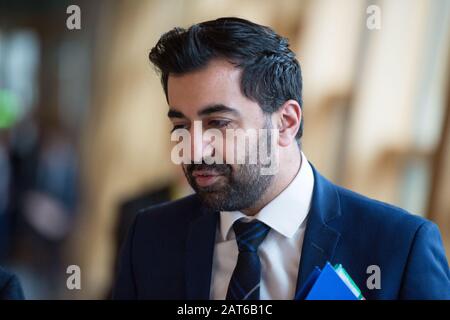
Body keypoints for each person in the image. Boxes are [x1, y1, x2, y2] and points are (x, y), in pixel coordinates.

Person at [112, 17, 450, 300]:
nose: (194, 148)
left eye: (218, 123)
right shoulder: (151, 237)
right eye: (181, 125)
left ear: (286, 122)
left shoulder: (398, 248)